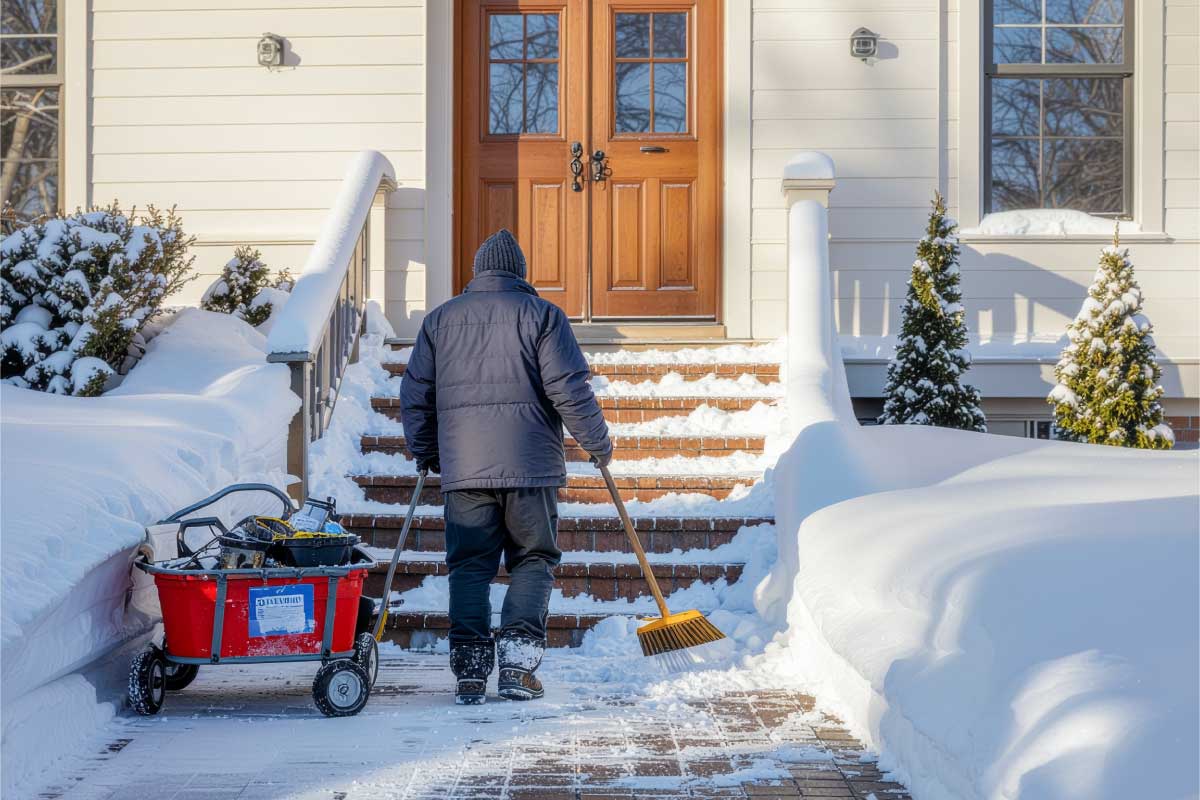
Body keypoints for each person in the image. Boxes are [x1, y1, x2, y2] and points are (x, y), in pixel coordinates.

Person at [399, 229, 612, 705]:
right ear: (519, 273)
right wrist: (597, 443)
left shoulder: (440, 320)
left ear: (477, 273)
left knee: (469, 566)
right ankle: (517, 665)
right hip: (530, 469)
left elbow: (416, 396)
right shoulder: (543, 315)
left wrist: (427, 451)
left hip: (465, 470)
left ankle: (471, 670)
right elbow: (569, 388)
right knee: (533, 559)